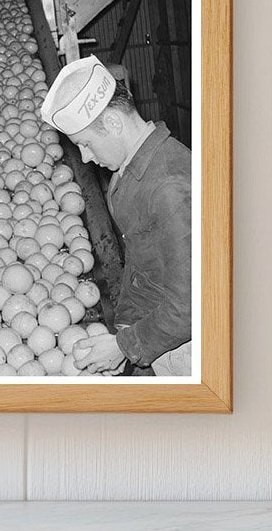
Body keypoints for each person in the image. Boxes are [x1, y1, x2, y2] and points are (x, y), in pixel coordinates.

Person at [39, 55, 192, 377]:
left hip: (186, 347)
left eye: (85, 144)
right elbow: (146, 265)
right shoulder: (133, 171)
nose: (85, 157)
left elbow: (195, 301)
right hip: (158, 332)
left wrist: (126, 345)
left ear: (112, 123)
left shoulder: (169, 185)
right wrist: (124, 326)